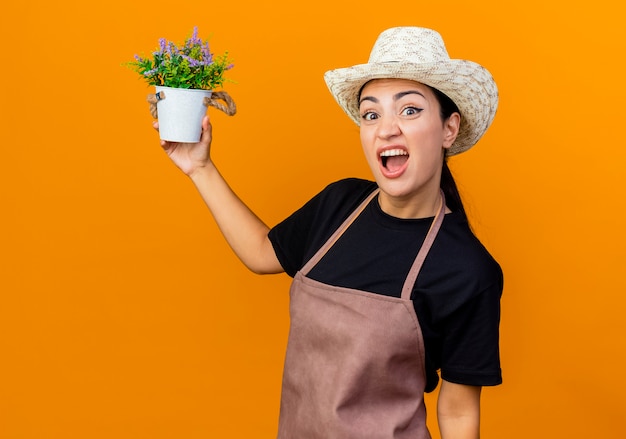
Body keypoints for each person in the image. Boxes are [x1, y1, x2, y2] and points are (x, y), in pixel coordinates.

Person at [152, 27, 502, 439]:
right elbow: (263, 253)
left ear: (448, 129)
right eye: (372, 114)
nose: (387, 128)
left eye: (409, 110)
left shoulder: (467, 269)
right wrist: (199, 167)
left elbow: (459, 415)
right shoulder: (339, 205)